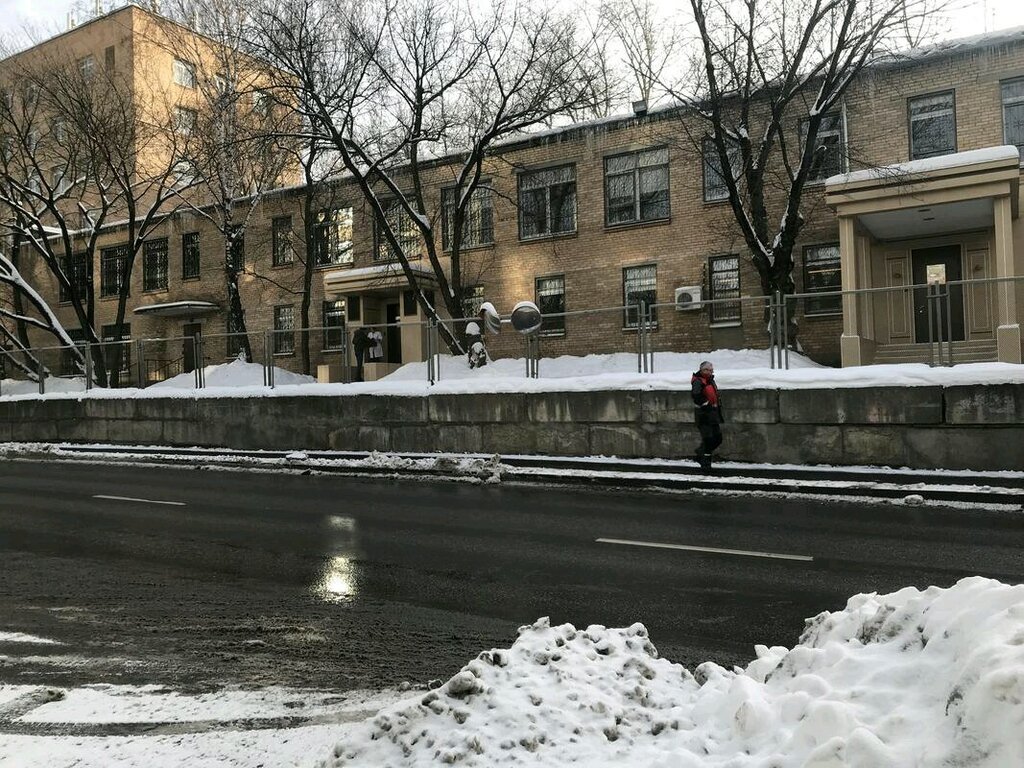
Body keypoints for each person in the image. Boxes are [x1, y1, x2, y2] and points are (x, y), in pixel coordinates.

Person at [691, 360, 724, 471]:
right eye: (708, 370)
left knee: (718, 438)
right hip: (703, 414)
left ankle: (700, 453)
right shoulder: (698, 381)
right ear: (702, 370)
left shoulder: (710, 380)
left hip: (713, 413)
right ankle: (705, 463)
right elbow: (696, 395)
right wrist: (706, 404)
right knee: (708, 439)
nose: (710, 372)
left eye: (711, 370)